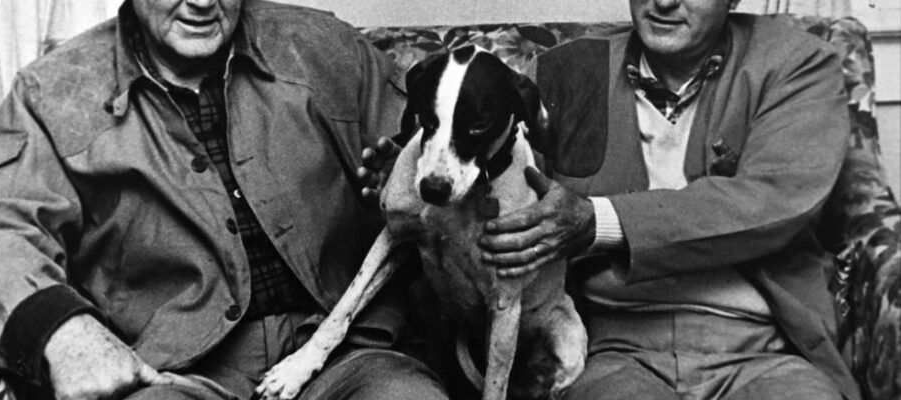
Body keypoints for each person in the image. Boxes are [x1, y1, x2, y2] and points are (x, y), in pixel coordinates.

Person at [362, 0, 860, 399]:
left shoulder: (797, 63)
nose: (664, 1)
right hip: (613, 349)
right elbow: (503, 187)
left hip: (763, 350)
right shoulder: (565, 70)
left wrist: (595, 221)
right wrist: (413, 177)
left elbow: (773, 197)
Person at [0, 0, 448, 399]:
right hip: (175, 378)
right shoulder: (51, 93)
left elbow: (453, 158)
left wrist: (491, 214)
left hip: (348, 357)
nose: (201, 2)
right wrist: (62, 329)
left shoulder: (326, 46)